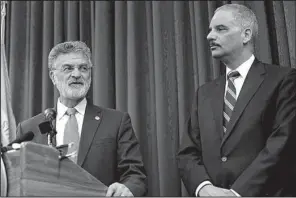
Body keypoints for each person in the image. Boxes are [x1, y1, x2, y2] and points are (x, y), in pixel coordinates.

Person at [176, 3, 296, 197]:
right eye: (209, 30)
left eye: (220, 29)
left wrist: (237, 193)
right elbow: (188, 152)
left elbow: (283, 144)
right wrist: (204, 188)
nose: (209, 36)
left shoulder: (283, 80)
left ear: (246, 35)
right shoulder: (204, 94)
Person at [16, 41, 147, 197]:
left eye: (83, 68)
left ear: (90, 74)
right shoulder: (29, 129)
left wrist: (127, 188)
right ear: (53, 76)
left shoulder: (117, 122)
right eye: (68, 68)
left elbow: (135, 175)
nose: (77, 74)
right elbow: (19, 180)